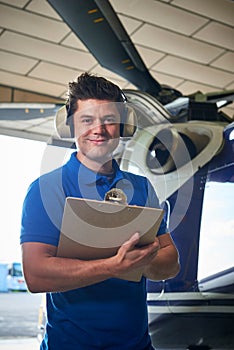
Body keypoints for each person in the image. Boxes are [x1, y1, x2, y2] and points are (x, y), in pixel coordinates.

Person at [20, 72, 180, 350]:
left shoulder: (142, 188)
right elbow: (36, 274)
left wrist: (143, 261)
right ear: (70, 126)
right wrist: (114, 266)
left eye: (109, 120)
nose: (99, 129)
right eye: (87, 120)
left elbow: (171, 263)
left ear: (123, 126)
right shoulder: (46, 189)